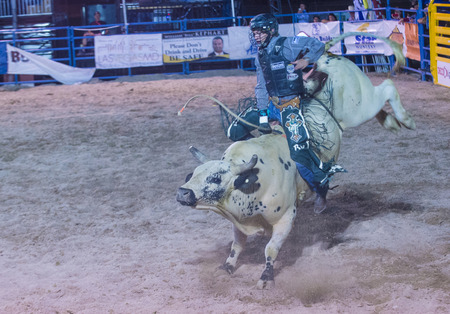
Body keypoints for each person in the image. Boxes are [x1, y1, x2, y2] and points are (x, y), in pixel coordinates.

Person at [227, 13, 343, 213]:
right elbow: (261, 86)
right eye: (254, 33)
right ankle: (264, 159)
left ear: (270, 30)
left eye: (259, 32)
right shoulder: (261, 55)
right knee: (234, 131)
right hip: (270, 106)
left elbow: (318, 45)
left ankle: (320, 190)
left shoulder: (288, 44)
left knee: (299, 154)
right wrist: (263, 116)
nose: (256, 36)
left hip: (290, 106)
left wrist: (306, 60)